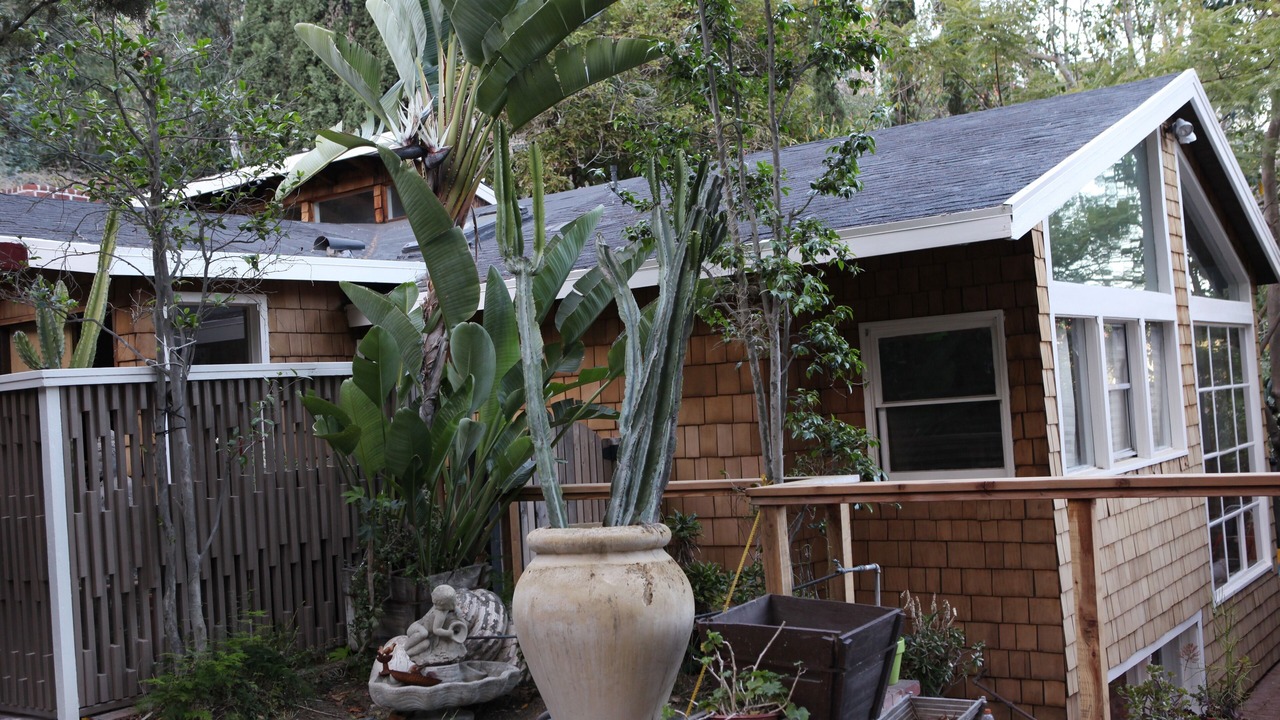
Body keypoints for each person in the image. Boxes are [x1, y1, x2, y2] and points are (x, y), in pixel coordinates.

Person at [404, 585, 469, 665]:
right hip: (416, 627)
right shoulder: (440, 614)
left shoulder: (443, 606)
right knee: (424, 633)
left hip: (425, 635)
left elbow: (453, 606)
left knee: (426, 644)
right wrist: (448, 633)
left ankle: (409, 653)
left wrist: (458, 612)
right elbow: (436, 630)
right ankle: (406, 648)